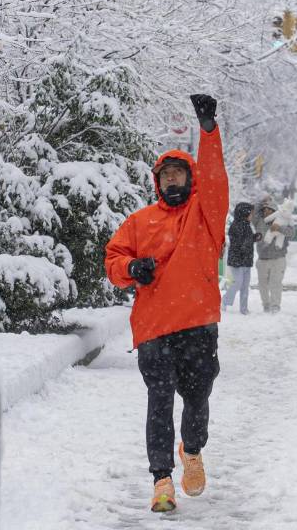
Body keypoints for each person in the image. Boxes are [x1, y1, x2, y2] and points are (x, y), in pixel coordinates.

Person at [105, 93, 229, 514]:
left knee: (197, 398)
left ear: (190, 179)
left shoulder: (206, 215)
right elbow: (114, 259)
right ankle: (161, 479)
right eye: (166, 175)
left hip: (197, 322)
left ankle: (191, 450)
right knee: (159, 401)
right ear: (157, 182)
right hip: (155, 328)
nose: (172, 180)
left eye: (179, 173)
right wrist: (131, 268)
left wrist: (208, 131)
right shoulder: (139, 221)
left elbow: (215, 177)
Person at [251, 195, 294, 313]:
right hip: (262, 258)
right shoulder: (259, 221)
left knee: (276, 284)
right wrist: (262, 200)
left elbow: (291, 233)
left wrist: (279, 228)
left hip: (278, 258)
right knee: (262, 285)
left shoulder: (283, 220)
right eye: (264, 209)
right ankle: (266, 304)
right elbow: (253, 210)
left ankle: (275, 305)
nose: (266, 211)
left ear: (275, 211)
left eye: (269, 209)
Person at [223, 202, 258, 314]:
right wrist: (248, 241)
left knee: (245, 286)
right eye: (250, 213)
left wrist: (254, 238)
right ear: (244, 213)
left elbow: (247, 240)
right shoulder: (236, 226)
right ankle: (225, 300)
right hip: (237, 261)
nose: (252, 215)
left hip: (246, 260)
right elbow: (238, 243)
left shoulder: (247, 226)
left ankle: (244, 308)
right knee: (238, 282)